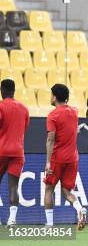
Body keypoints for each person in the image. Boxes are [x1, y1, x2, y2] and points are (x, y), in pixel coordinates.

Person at [43, 84, 87, 230]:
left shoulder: (52, 115)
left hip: (57, 158)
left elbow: (51, 139)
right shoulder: (74, 111)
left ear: (54, 97)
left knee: (49, 189)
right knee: (67, 191)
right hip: (72, 157)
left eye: (51, 95)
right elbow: (73, 131)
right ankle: (79, 209)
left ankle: (49, 225)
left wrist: (48, 162)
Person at [0, 78, 29, 226]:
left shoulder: (0, 106)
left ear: (2, 90)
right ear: (14, 90)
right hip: (18, 152)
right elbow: (24, 128)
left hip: (1, 150)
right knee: (13, 186)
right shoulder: (24, 108)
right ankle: (12, 219)